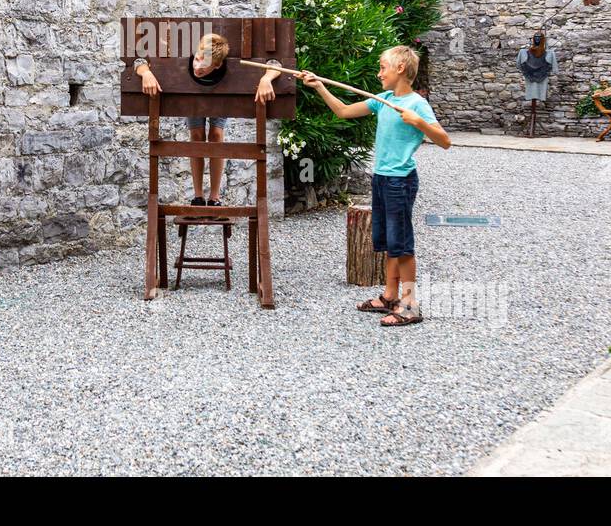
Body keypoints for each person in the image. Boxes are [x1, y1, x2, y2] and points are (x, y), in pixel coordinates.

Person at [301, 45, 450, 327]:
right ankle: (390, 296)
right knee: (388, 242)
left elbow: (444, 141)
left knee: (402, 244)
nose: (379, 72)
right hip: (381, 178)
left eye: (383, 67)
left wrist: (418, 121)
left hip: (400, 181)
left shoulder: (417, 104)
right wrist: (319, 85)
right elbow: (343, 111)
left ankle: (410, 305)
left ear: (400, 69)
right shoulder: (382, 99)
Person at [134, 32, 279, 212]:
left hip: (221, 95)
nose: (198, 65)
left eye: (206, 63)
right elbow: (138, 60)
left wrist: (266, 78)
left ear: (217, 65)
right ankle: (198, 195)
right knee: (196, 135)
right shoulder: (194, 61)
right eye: (197, 58)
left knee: (216, 134)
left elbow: (276, 63)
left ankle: (215, 197)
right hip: (191, 95)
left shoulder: (221, 64)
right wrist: (145, 72)